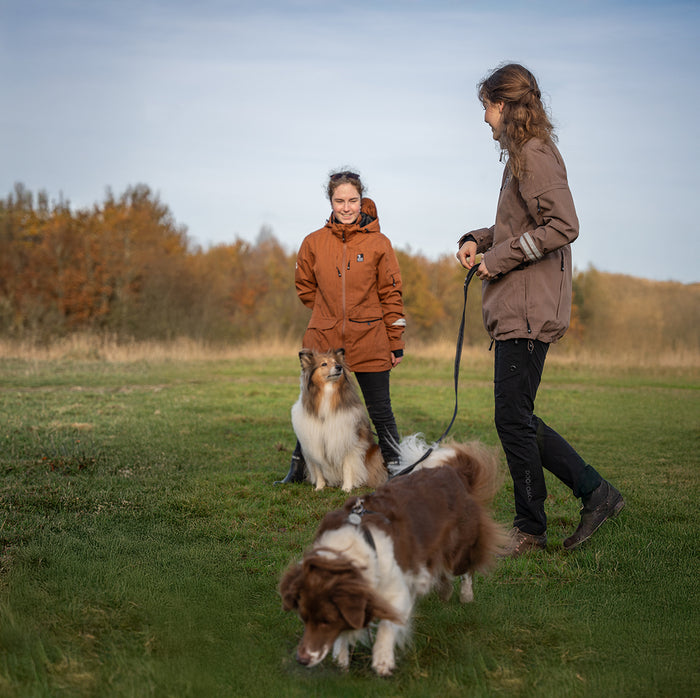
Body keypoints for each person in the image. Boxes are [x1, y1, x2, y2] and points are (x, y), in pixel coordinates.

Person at [456, 63, 624, 555]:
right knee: (517, 416)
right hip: (517, 305)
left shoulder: (533, 155)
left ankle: (532, 527)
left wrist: (498, 257)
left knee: (512, 417)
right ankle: (595, 493)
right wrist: (477, 239)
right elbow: (518, 226)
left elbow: (563, 225)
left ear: (504, 106)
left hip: (528, 307)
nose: (484, 119)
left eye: (486, 107)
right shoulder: (521, 158)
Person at [276, 169, 406, 484]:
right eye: (339, 201)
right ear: (330, 201)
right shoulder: (313, 242)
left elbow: (391, 293)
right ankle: (298, 468)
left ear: (361, 201)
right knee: (313, 405)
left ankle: (400, 471)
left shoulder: (379, 244)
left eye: (352, 200)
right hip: (324, 339)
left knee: (380, 410)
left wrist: (395, 340)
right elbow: (305, 287)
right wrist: (328, 312)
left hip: (370, 338)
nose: (346, 207)